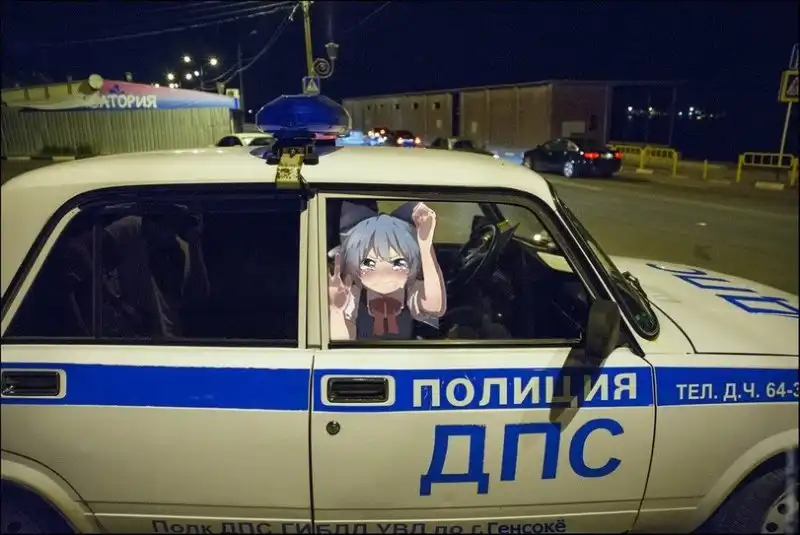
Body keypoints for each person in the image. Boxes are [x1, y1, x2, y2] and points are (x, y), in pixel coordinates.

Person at [63, 208, 210, 338]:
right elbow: (77, 247)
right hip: (131, 342)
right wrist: (112, 298)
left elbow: (199, 297)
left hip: (169, 343)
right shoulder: (133, 229)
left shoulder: (183, 250)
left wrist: (195, 242)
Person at [328, 201, 446, 341]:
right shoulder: (352, 292)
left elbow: (434, 305)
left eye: (398, 263)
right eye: (369, 263)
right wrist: (337, 311)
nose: (384, 273)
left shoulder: (410, 287)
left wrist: (425, 246)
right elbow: (341, 342)